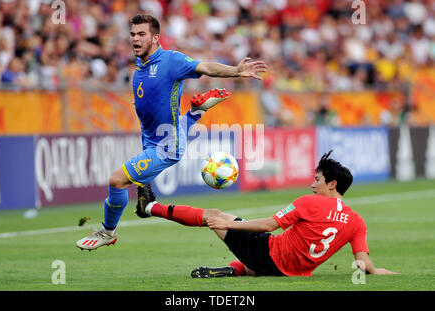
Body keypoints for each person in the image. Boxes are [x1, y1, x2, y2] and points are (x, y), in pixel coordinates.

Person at [76, 14, 267, 250]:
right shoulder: (140, 64)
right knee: (143, 193)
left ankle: (107, 231)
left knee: (116, 181)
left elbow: (205, 66)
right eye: (133, 34)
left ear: (155, 38)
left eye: (142, 34)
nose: (135, 39)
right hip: (154, 139)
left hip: (165, 148)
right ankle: (196, 112)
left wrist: (236, 71)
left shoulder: (171, 61)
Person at [133, 150, 397, 277]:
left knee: (213, 215)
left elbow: (270, 225)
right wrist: (386, 273)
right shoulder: (356, 221)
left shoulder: (309, 202)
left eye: (317, 179)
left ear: (332, 184)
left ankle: (148, 207)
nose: (311, 184)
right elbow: (365, 266)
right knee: (244, 248)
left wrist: (228, 226)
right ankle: (234, 270)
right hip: (291, 272)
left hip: (268, 254)